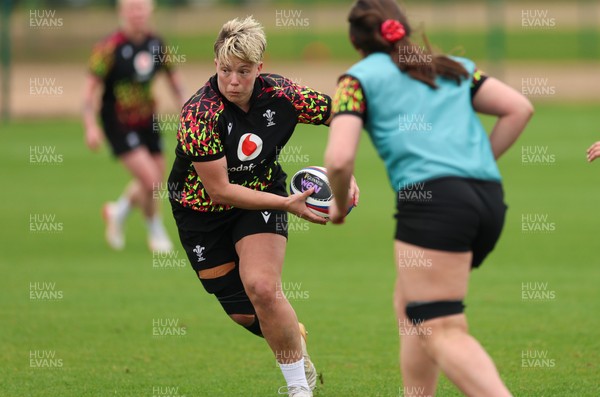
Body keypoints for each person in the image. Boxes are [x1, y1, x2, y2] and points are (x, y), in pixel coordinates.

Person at [324, 1, 533, 396]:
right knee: (411, 305)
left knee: (442, 330)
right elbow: (519, 108)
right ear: (401, 28)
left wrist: (338, 206)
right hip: (487, 199)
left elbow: (338, 159)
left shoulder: (355, 80)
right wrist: (477, 163)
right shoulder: (451, 66)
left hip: (434, 204)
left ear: (354, 39)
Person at [167, 16, 358, 397]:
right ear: (215, 65)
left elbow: (342, 113)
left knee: (263, 288)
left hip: (261, 196)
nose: (233, 81)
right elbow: (219, 190)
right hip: (201, 210)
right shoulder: (199, 114)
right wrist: (288, 203)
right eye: (225, 71)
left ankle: (299, 388)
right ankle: (293, 338)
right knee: (245, 313)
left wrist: (343, 170)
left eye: (243, 71)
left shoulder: (282, 94)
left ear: (260, 67)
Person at [82, 0, 185, 252]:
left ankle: (118, 211)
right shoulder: (109, 48)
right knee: (150, 180)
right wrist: (90, 126)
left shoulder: (156, 44)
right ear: (122, 13)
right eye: (132, 9)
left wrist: (187, 111)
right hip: (117, 122)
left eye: (141, 8)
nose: (137, 14)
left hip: (148, 119)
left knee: (156, 177)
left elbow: (174, 81)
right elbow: (88, 93)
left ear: (150, 11)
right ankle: (154, 229)